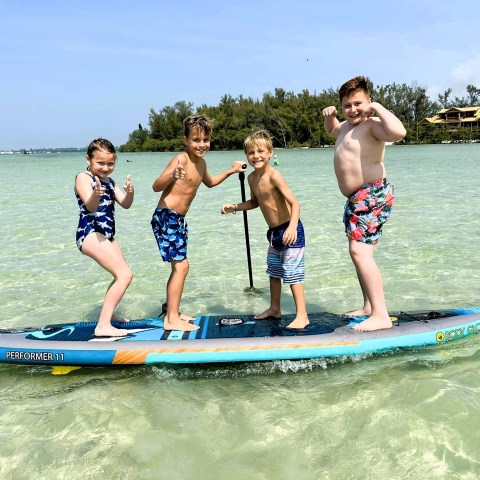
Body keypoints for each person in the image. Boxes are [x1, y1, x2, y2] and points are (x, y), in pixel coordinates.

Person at [322, 76, 406, 332]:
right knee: (358, 252)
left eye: (358, 103)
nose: (353, 110)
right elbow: (331, 130)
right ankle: (369, 306)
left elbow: (399, 133)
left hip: (372, 194)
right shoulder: (346, 127)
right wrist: (329, 116)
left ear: (368, 103)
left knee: (360, 252)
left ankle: (380, 314)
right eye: (347, 105)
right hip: (357, 199)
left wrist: (378, 108)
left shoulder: (372, 126)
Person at [151, 115, 245, 332]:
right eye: (196, 140)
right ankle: (172, 318)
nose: (201, 145)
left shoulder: (201, 164)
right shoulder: (180, 160)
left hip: (178, 220)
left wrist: (232, 171)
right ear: (186, 140)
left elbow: (210, 183)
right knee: (181, 266)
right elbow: (156, 186)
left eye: (205, 140)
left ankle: (170, 311)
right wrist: (172, 175)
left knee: (180, 267)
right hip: (166, 216)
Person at [221, 130, 309, 329]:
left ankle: (302, 315)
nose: (256, 156)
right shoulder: (252, 179)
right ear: (246, 156)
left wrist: (293, 226)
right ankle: (275, 309)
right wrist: (235, 207)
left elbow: (295, 203)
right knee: (274, 272)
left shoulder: (274, 176)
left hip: (290, 230)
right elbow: (254, 202)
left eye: (260, 151)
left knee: (292, 273)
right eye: (251, 152)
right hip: (274, 234)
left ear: (270, 153)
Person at [75, 138, 134, 337]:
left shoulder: (110, 182)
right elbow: (91, 207)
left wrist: (130, 193)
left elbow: (125, 204)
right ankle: (102, 326)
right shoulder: (83, 178)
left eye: (110, 163)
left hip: (107, 234)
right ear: (88, 159)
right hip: (89, 232)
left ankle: (109, 315)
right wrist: (96, 194)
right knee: (125, 275)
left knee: (121, 275)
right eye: (100, 163)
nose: (106, 167)